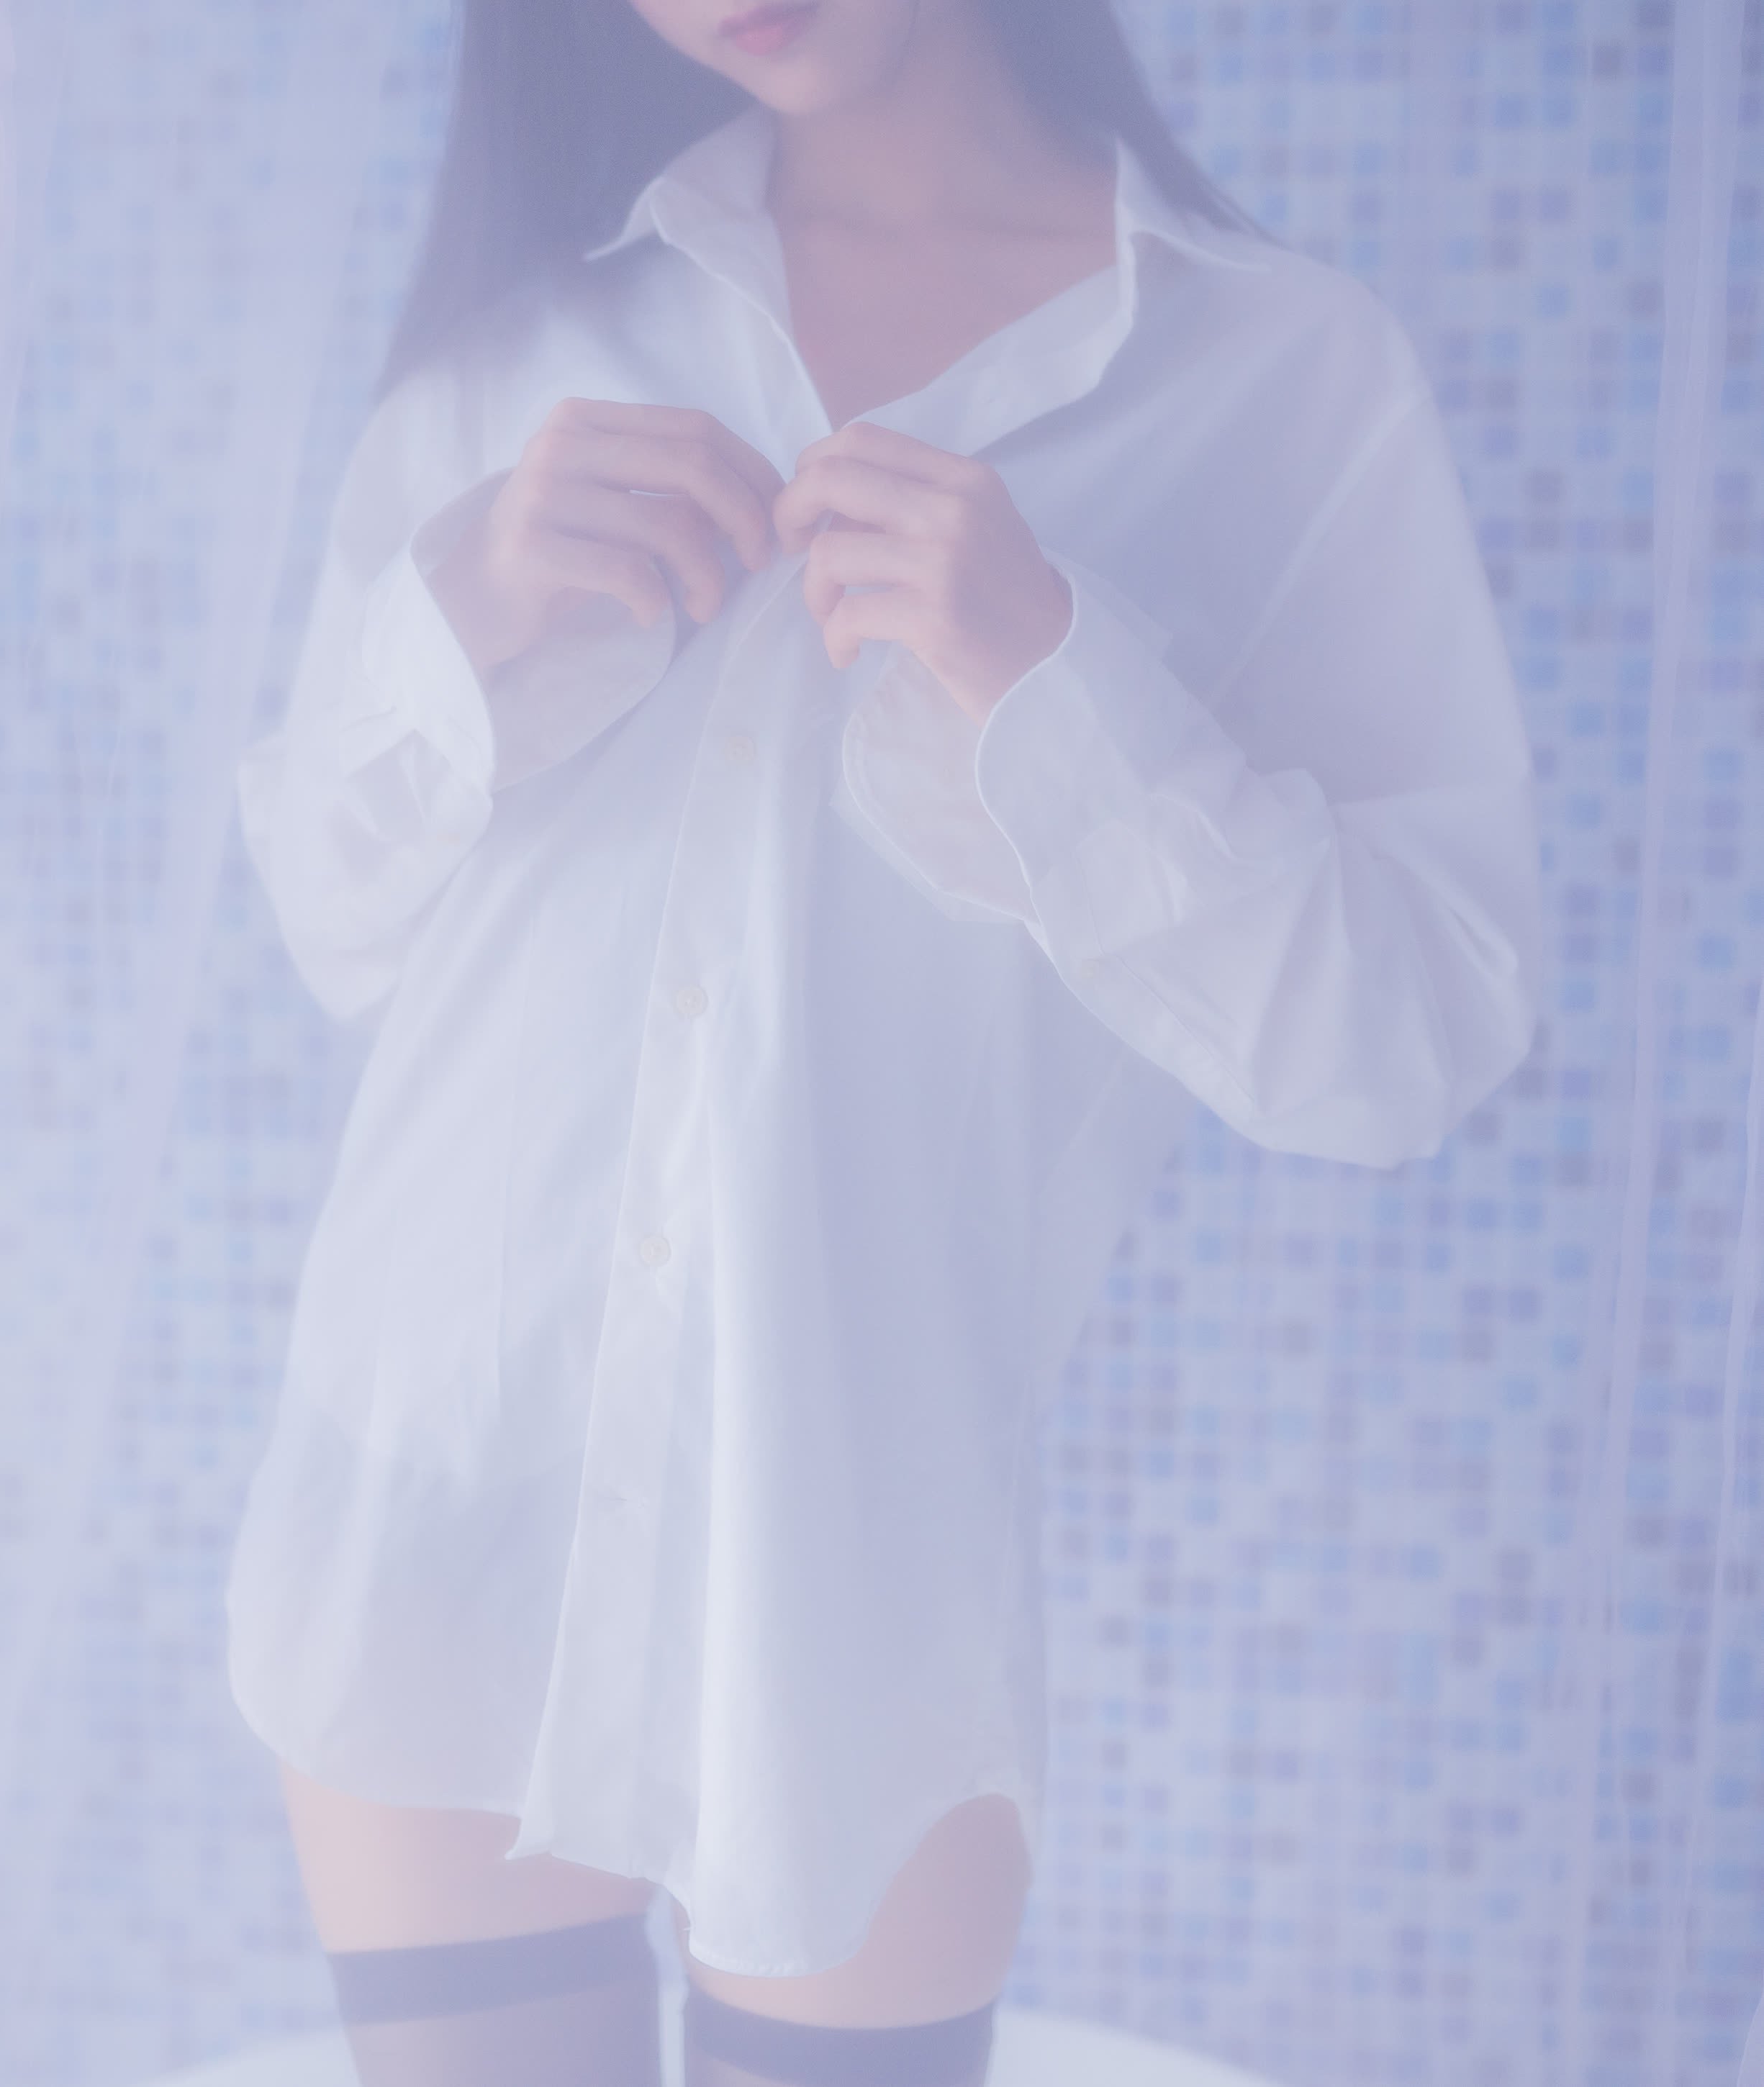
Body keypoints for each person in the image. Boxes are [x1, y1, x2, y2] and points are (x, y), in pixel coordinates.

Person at [225, 2, 1542, 2083]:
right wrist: (456, 614)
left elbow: (1409, 1035)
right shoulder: (531, 334)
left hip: (846, 1553)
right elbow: (333, 922)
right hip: (435, 1478)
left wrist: (1053, 681)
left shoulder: (1281, 377)